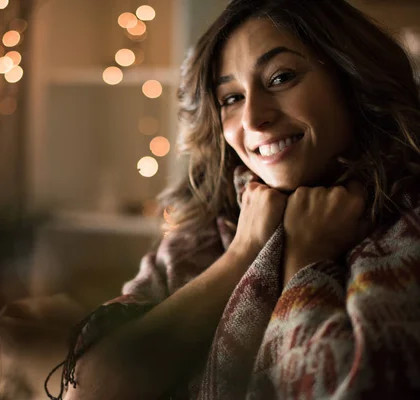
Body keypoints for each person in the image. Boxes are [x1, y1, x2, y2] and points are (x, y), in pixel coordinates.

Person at [46, 0, 420, 398]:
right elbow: (88, 390)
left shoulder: (406, 233)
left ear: (352, 79)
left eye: (280, 78)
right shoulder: (203, 232)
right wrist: (245, 250)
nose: (253, 118)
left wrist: (304, 265)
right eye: (230, 98)